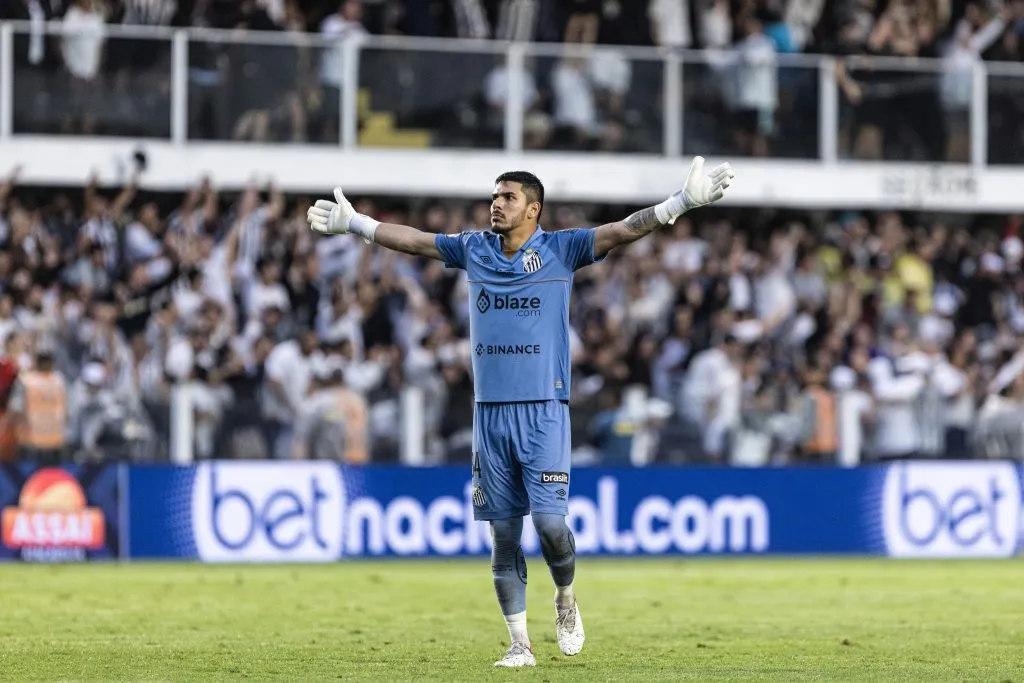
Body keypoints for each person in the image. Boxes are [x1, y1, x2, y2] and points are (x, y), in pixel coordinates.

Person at [306, 156, 735, 668]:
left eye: (507, 198)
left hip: (544, 413)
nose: (496, 204)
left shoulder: (561, 249)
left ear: (533, 209)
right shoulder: (475, 249)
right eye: (494, 196)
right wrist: (357, 224)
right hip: (489, 416)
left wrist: (681, 203)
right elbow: (418, 241)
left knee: (552, 525)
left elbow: (622, 231)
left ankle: (566, 600)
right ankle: (519, 644)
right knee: (504, 535)